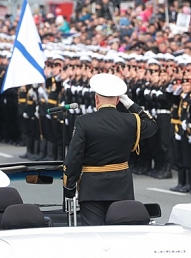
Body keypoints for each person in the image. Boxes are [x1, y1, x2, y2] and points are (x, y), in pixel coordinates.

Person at [62, 73, 158, 226]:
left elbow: (74, 157)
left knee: (94, 234)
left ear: (96, 99)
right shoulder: (131, 120)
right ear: (118, 100)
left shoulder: (84, 122)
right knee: (119, 233)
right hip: (121, 187)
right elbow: (152, 126)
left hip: (92, 189)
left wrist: (69, 184)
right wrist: (131, 105)